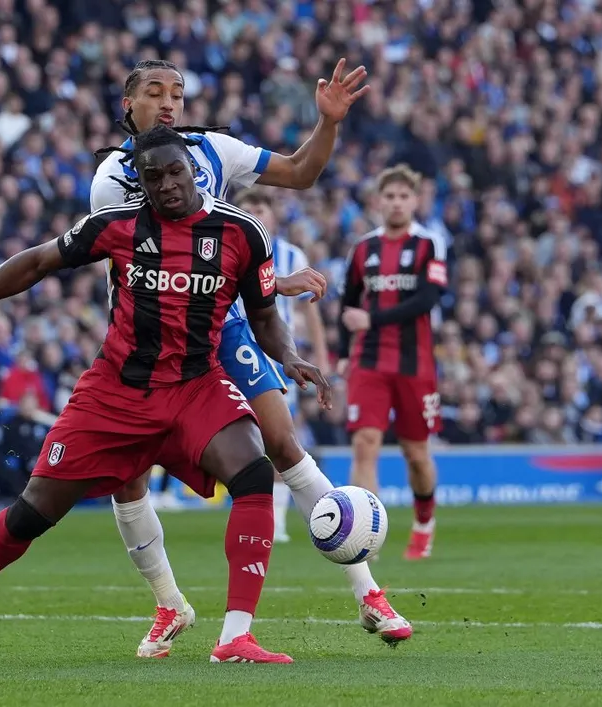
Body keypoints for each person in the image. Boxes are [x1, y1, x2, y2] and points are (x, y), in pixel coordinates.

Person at [0, 125, 331, 664]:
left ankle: (234, 638)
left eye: (174, 172)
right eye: (154, 177)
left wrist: (289, 356)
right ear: (141, 183)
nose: (167, 184)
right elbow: (36, 262)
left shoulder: (243, 232)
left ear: (193, 170)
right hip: (116, 392)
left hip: (194, 385)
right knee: (33, 512)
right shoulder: (116, 225)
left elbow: (264, 316)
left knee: (254, 471)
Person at [90, 58, 412, 658]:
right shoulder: (113, 179)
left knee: (283, 443)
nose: (169, 103)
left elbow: (300, 172)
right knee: (126, 475)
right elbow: (162, 254)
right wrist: (269, 282)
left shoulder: (213, 150)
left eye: (177, 93)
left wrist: (328, 123)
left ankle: (368, 592)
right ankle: (169, 603)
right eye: (155, 93)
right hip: (150, 337)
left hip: (224, 322)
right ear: (127, 104)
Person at [338, 165, 449, 560]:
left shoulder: (429, 244)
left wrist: (372, 319)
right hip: (368, 360)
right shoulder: (363, 248)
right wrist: (342, 353)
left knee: (415, 453)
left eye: (404, 196)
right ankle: (366, 536)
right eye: (390, 196)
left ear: (415, 201)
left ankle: (424, 522)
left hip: (414, 364)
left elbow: (427, 300)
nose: (396, 203)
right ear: (378, 202)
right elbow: (348, 302)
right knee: (364, 444)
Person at [234, 189, 329, 543]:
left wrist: (320, 354)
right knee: (245, 440)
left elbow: (309, 310)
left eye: (260, 208)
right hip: (232, 352)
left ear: (273, 216)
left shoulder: (291, 256)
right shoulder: (229, 250)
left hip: (275, 356)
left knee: (279, 437)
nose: (254, 214)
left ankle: (276, 521)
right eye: (246, 208)